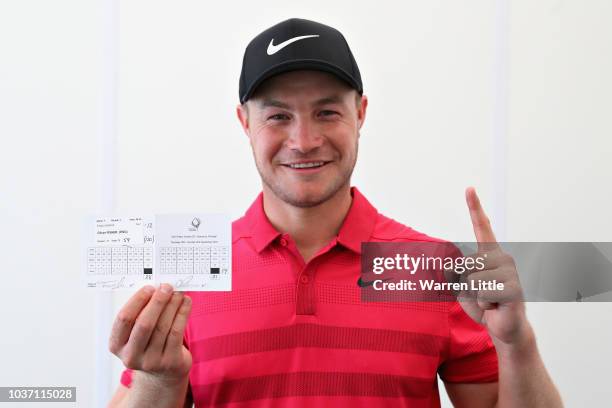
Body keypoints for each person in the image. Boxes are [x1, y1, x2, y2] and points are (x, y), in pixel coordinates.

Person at [107, 18, 563, 407]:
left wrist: (515, 343)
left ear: (360, 113)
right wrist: (158, 381)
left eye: (326, 112)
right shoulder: (191, 275)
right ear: (245, 122)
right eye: (278, 116)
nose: (304, 141)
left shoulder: (433, 268)